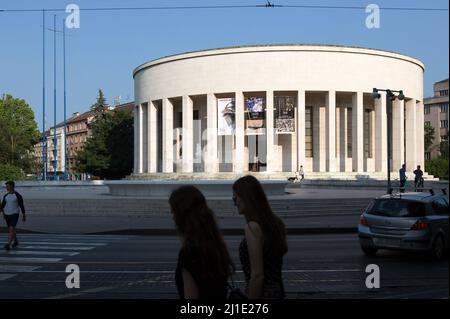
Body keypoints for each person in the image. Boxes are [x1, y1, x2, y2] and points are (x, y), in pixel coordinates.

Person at [169, 185, 233, 299]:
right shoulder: (217, 246)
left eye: (174, 213)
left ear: (182, 216)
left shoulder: (188, 253)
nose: (173, 218)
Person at [232, 175, 288, 299]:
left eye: (236, 195)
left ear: (248, 197)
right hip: (277, 293)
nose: (234, 200)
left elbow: (257, 275)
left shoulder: (253, 227)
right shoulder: (276, 223)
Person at [1, 181, 26, 251]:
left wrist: (24, 215)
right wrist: (2, 212)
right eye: (6, 186)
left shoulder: (17, 195)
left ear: (12, 186)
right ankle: (16, 241)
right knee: (12, 229)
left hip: (15, 214)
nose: (6, 187)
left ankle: (8, 244)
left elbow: (21, 205)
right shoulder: (6, 196)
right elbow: (2, 205)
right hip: (7, 214)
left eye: (8, 186)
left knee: (11, 229)